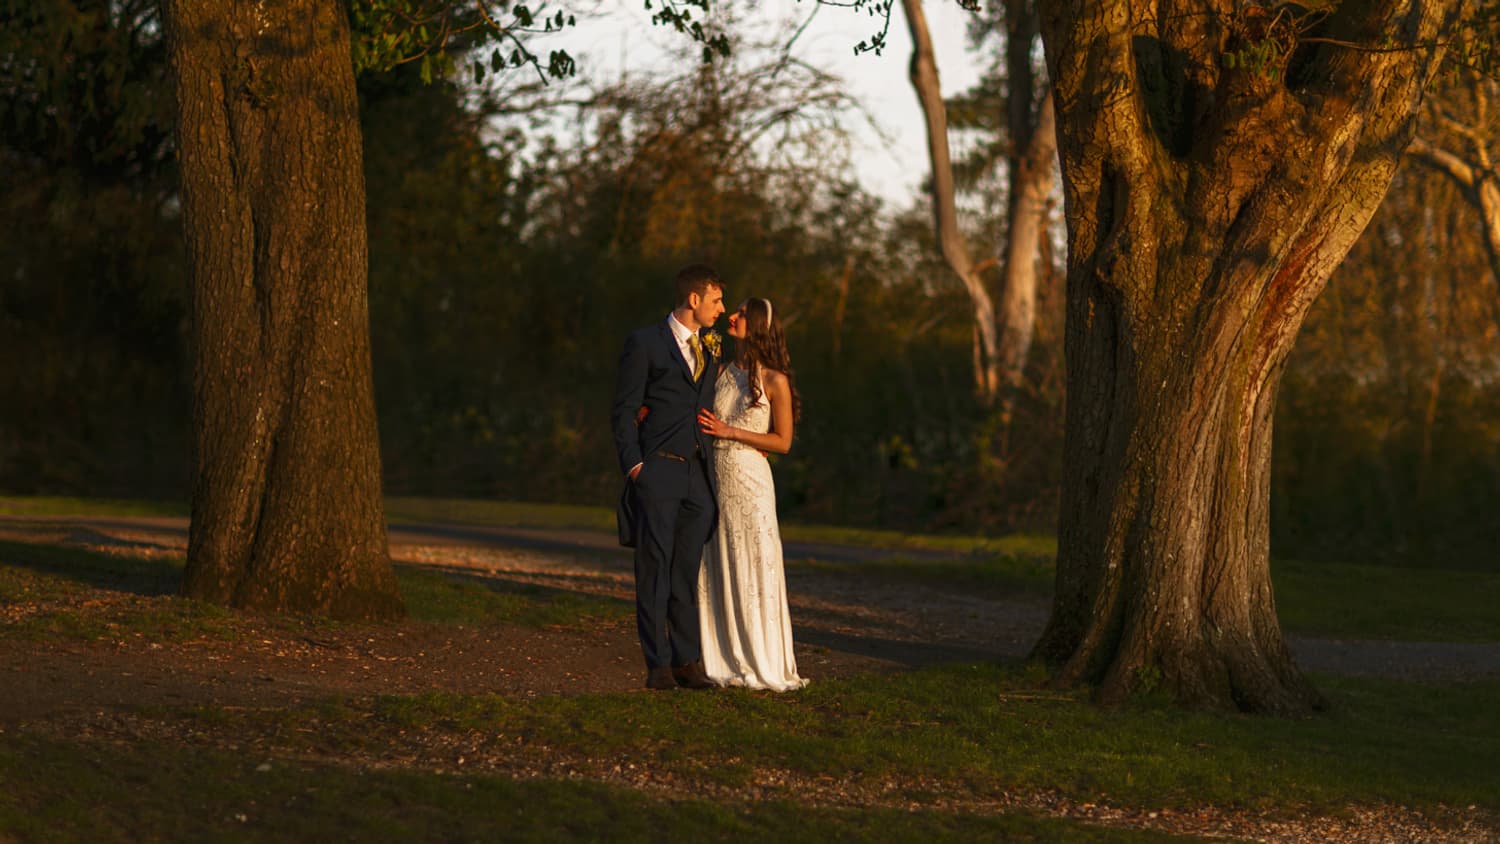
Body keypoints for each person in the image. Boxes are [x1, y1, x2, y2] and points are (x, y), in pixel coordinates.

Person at [611, 264, 726, 691]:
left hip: (697, 476)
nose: (722, 308)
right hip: (658, 470)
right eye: (716, 300)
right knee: (654, 570)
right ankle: (657, 664)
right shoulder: (645, 343)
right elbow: (624, 409)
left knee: (686, 573)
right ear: (694, 299)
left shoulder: (711, 347)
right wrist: (635, 465)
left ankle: (686, 662)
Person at [695, 297, 808, 691]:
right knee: (721, 559)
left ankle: (762, 658)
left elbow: (783, 441)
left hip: (750, 481)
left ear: (757, 325)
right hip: (716, 478)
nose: (732, 315)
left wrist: (732, 432)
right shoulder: (720, 370)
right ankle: (723, 656)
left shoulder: (775, 380)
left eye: (742, 313)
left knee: (754, 560)